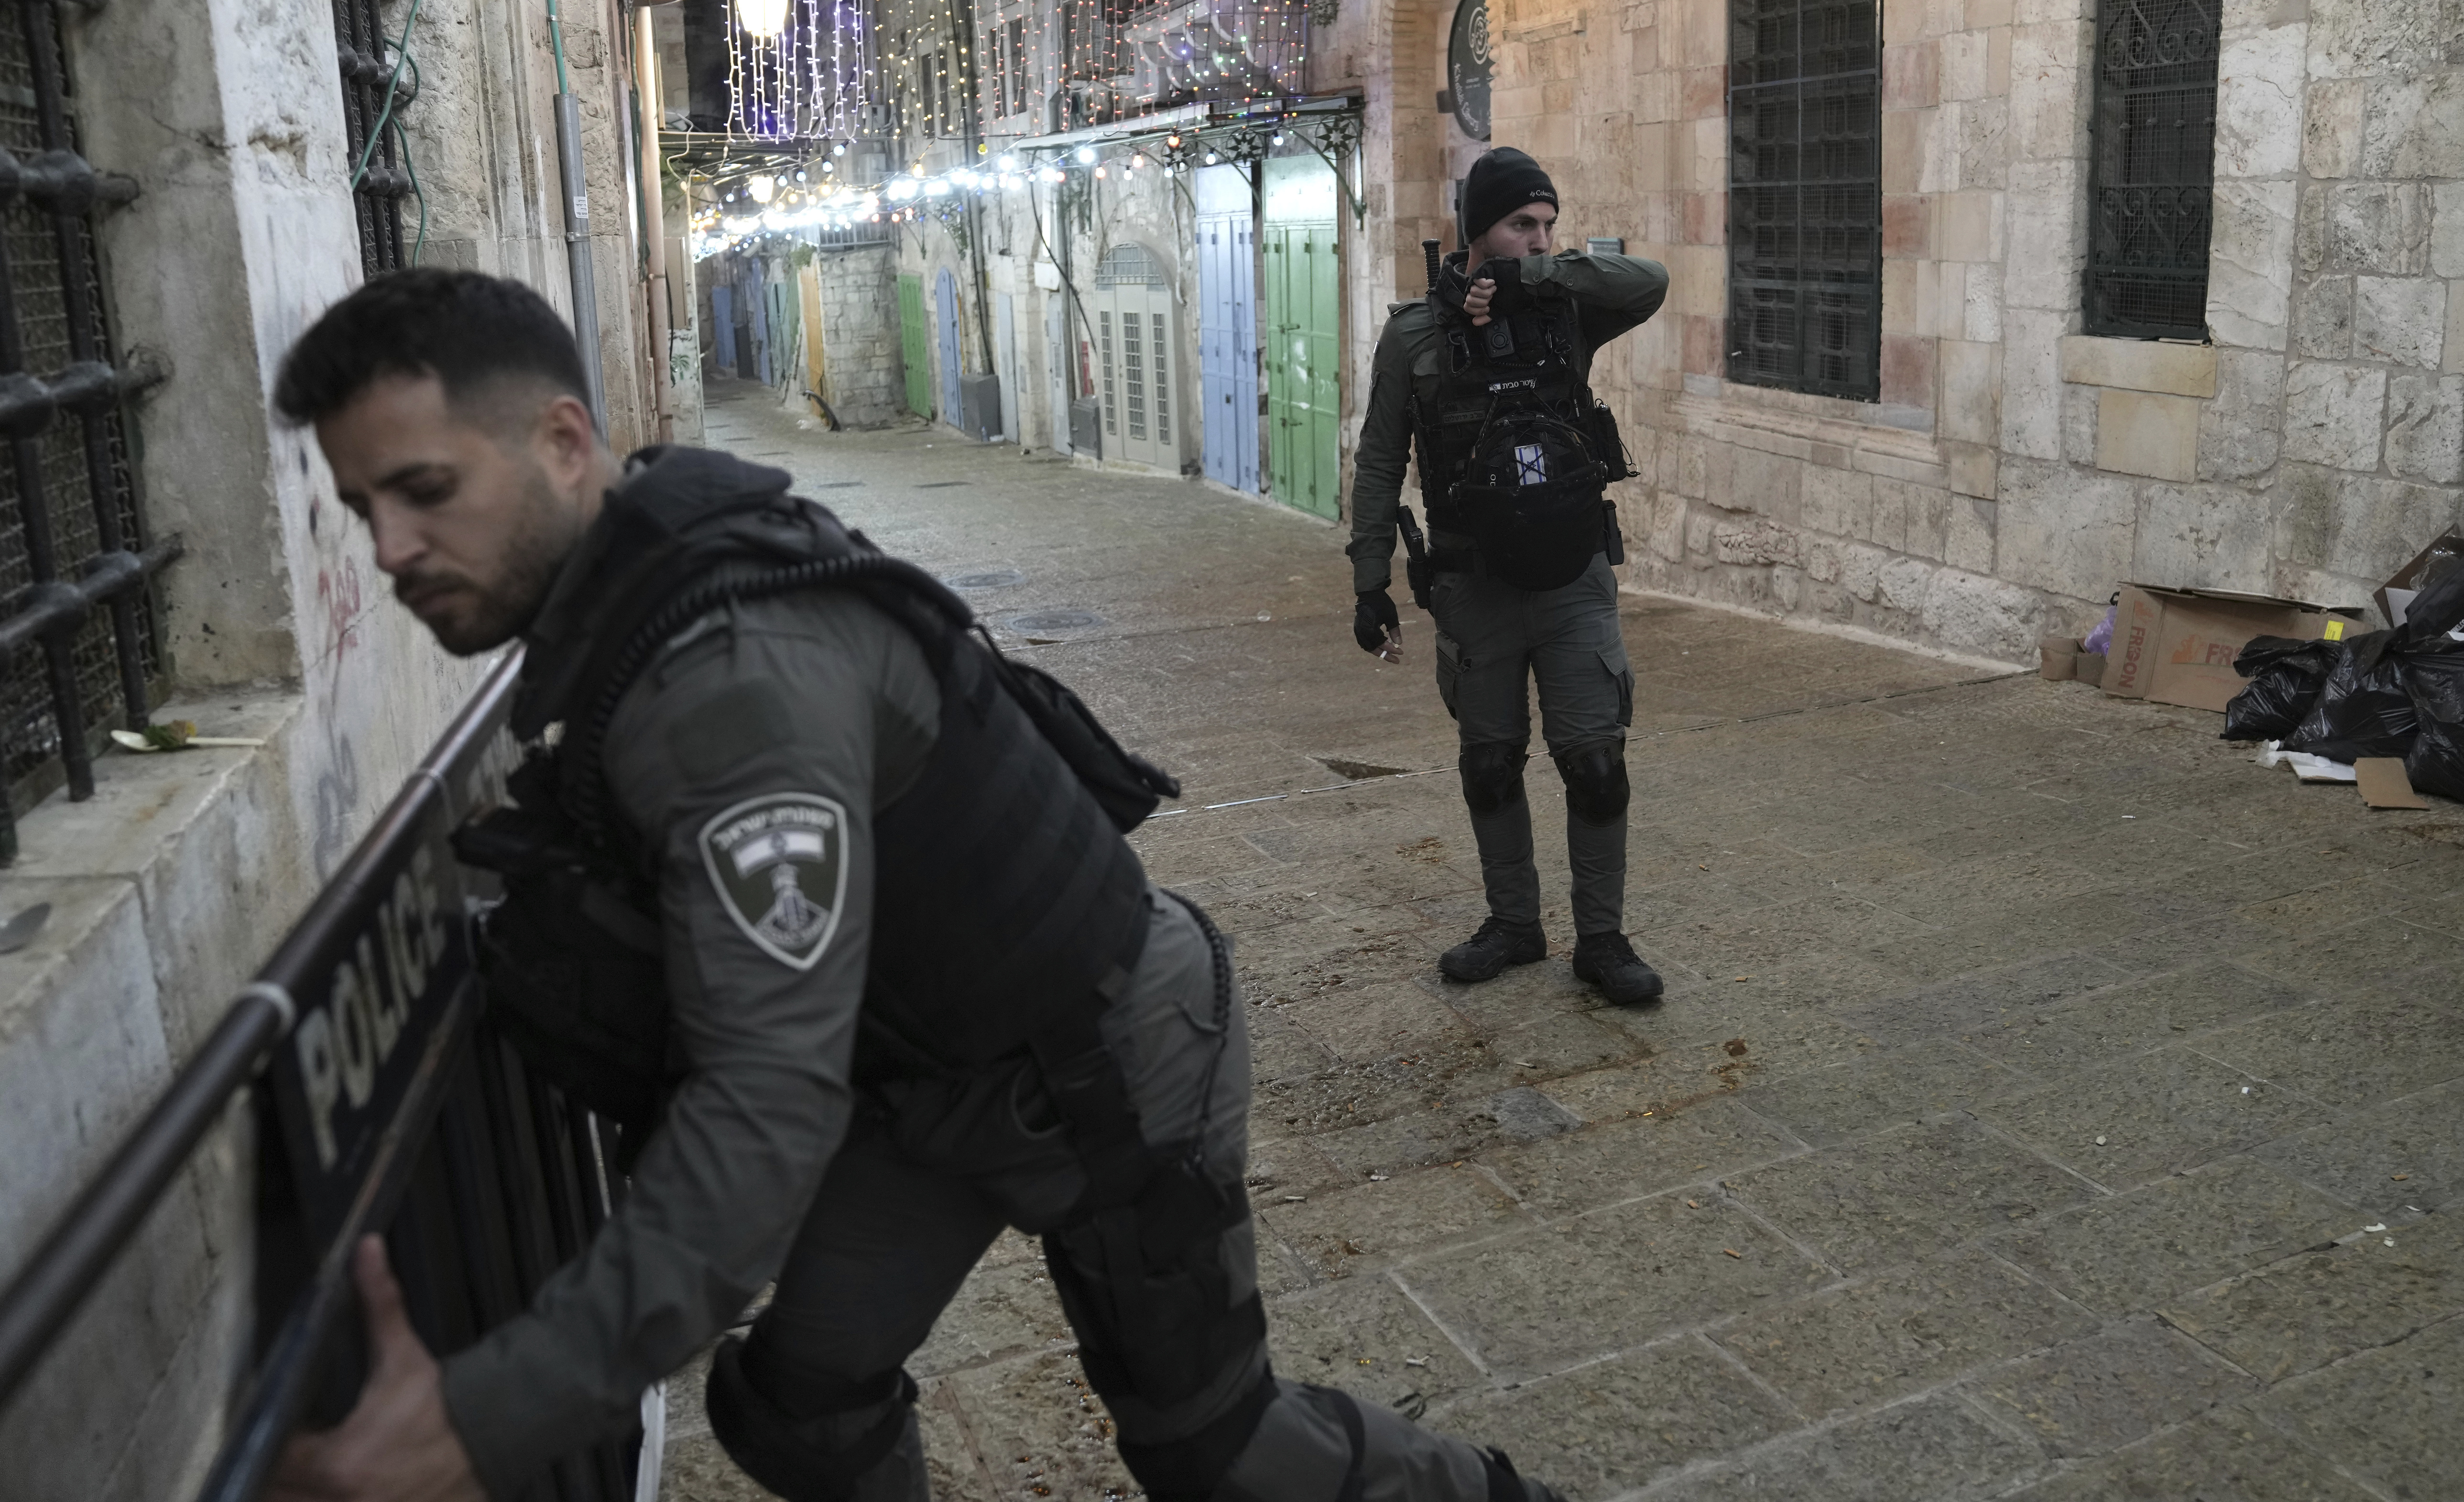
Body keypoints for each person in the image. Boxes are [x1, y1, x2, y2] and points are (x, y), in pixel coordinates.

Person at [264, 268, 1569, 1502]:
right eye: (362, 505)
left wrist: (478, 1415)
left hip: (1106, 1061)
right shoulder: (655, 579)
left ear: (560, 443)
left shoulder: (729, 685)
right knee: (796, 1402)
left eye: (424, 489)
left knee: (1216, 1449)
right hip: (935, 1087)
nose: (389, 547)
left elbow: (760, 1107)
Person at [1346, 148, 1670, 1005]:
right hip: (1475, 585)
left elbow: (1651, 281)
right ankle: (1515, 924)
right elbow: (1380, 461)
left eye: (1547, 223)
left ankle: (1602, 938)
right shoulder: (1417, 335)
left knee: (1596, 763)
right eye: (1520, 225)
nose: (1537, 237)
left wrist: (1541, 276)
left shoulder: (1565, 306)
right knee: (1490, 763)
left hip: (1571, 579)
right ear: (1476, 231)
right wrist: (1368, 578)